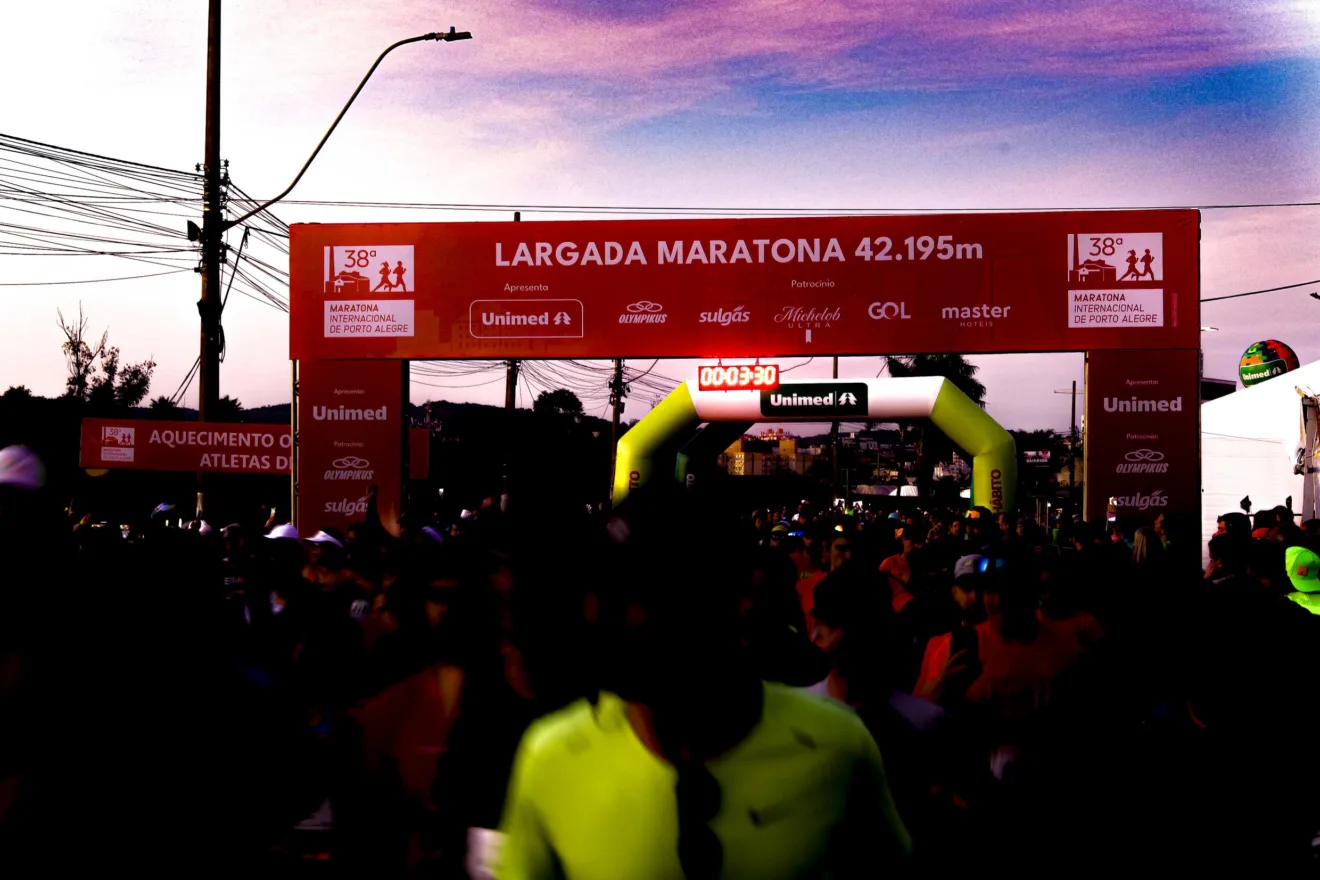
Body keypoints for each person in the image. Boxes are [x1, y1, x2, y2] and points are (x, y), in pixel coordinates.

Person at [496, 489, 911, 879]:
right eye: (605, 590)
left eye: (646, 593)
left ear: (733, 604)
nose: (609, 616)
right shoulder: (550, 758)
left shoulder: (837, 747)